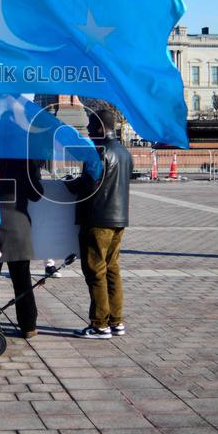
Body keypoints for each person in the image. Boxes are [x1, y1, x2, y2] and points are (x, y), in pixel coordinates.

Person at [65, 109, 132, 339]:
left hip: (97, 218)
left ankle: (99, 324)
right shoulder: (124, 152)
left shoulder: (99, 151)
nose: (90, 133)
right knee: (112, 269)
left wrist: (70, 184)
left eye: (92, 128)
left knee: (95, 271)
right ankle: (116, 320)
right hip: (119, 218)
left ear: (101, 129)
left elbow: (89, 185)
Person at [0, 157, 44, 339]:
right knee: (22, 280)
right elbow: (37, 194)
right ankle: (28, 325)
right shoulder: (24, 161)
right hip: (17, 226)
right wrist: (35, 169)